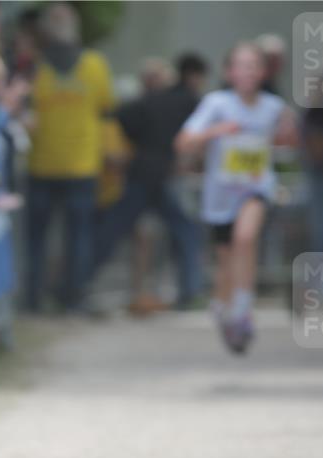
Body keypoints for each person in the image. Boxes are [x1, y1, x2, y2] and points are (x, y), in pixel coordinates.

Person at [175, 42, 297, 354]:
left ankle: (242, 311)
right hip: (220, 195)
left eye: (254, 65)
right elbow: (184, 142)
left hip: (256, 189)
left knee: (245, 238)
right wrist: (214, 132)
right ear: (229, 72)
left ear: (263, 71)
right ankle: (223, 305)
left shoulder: (273, 106)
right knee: (227, 262)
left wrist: (287, 135)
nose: (248, 72)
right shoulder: (216, 104)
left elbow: (289, 140)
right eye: (241, 65)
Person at [91, 53, 208, 312]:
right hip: (160, 176)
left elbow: (121, 117)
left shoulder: (147, 101)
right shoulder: (186, 101)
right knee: (185, 231)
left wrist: (139, 143)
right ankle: (191, 291)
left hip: (142, 173)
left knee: (114, 231)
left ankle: (79, 283)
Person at [24, 2, 114, 312]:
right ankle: (72, 298)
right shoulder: (94, 65)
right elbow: (106, 110)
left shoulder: (36, 67)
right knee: (77, 237)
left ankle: (36, 299)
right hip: (77, 164)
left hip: (48, 165)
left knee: (42, 239)